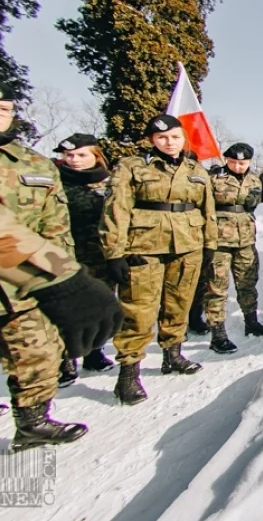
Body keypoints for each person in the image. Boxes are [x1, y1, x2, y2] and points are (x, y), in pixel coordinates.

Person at [0, 80, 122, 450]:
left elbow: (54, 226)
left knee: (36, 350)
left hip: (26, 280)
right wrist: (62, 277)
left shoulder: (34, 163)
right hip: (25, 269)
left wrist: (67, 273)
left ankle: (32, 421)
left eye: (2, 108)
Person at [100, 114, 217, 405]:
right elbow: (116, 210)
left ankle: (173, 355)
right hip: (143, 247)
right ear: (151, 139)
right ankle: (128, 373)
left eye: (175, 137)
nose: (169, 142)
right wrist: (114, 253)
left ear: (183, 138)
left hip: (187, 245)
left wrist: (210, 245)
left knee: (179, 301)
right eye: (162, 137)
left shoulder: (196, 170)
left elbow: (208, 211)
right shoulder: (132, 166)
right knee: (139, 309)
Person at [54, 133, 116, 386]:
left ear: (95, 156)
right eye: (69, 155)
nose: (75, 160)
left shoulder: (110, 182)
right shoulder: (54, 182)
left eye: (81, 155)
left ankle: (94, 352)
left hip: (102, 254)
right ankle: (65, 360)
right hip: (64, 254)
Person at [202, 143, 263, 355]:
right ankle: (218, 333)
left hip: (245, 240)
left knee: (248, 283)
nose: (238, 166)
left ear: (250, 162)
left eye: (242, 163)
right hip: (219, 242)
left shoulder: (255, 181)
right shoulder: (214, 178)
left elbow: (251, 206)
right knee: (217, 288)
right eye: (233, 162)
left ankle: (251, 321)